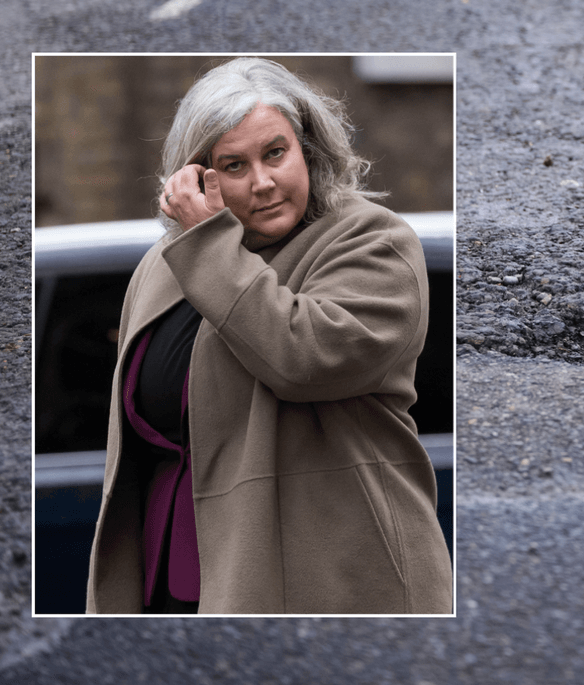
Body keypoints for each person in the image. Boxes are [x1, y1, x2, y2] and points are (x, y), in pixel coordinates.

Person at [85, 57, 452, 614]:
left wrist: (207, 243)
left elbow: (302, 357)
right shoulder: (166, 264)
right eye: (234, 165)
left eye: (276, 153)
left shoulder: (374, 242)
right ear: (196, 177)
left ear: (309, 149)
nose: (263, 182)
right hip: (177, 563)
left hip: (334, 575)